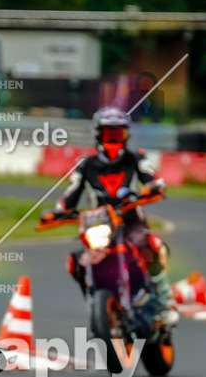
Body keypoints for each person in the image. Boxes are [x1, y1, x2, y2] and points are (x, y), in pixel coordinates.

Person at [54, 106, 179, 326]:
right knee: (76, 262)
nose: (113, 140)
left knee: (150, 246)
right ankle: (95, 304)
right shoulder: (85, 165)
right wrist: (60, 210)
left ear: (126, 136)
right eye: (108, 134)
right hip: (99, 225)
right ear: (98, 135)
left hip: (131, 222)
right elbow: (71, 193)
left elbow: (151, 177)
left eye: (118, 134)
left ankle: (164, 303)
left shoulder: (136, 158)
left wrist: (153, 186)